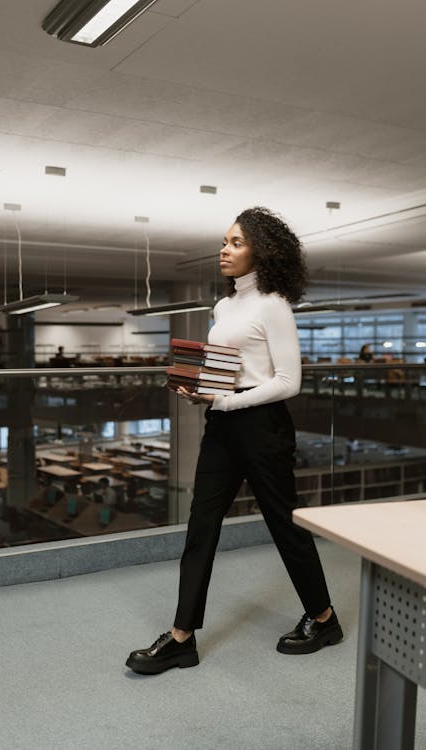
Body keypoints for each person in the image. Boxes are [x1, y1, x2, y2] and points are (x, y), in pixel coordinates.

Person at [126, 206, 343, 675]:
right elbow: (227, 371)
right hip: (224, 424)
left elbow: (288, 382)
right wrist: (201, 391)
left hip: (263, 427)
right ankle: (182, 637)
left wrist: (228, 402)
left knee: (285, 525)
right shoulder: (223, 307)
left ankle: (324, 618)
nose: (224, 250)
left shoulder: (274, 305)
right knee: (201, 525)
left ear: (261, 252)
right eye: (224, 241)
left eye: (236, 242)